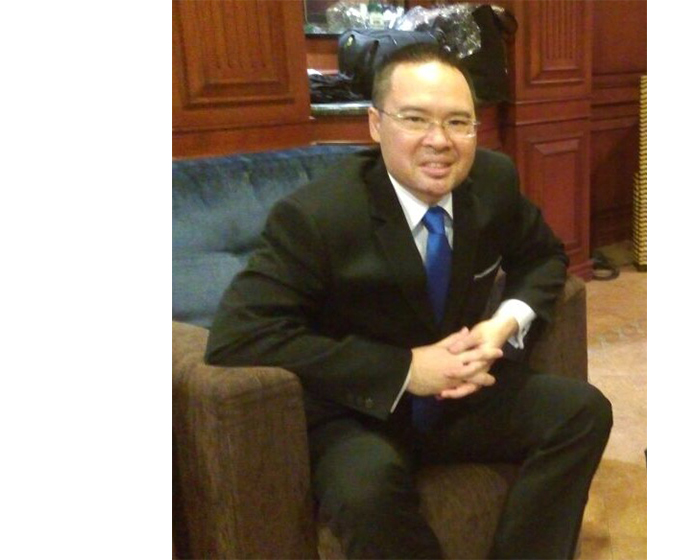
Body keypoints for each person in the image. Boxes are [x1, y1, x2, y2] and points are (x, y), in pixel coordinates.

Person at [205, 43, 612, 559]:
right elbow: (239, 335)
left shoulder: (491, 180)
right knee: (365, 492)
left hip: (462, 395)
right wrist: (405, 369)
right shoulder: (317, 216)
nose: (439, 141)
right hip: (360, 410)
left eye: (458, 123)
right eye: (416, 119)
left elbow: (543, 256)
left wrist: (503, 324)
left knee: (581, 411)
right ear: (376, 125)